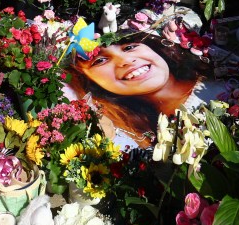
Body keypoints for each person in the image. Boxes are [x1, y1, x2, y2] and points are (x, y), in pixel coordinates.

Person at [66, 32, 214, 149]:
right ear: (89, 82)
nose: (126, 61)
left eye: (129, 47)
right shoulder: (125, 135)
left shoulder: (216, 86)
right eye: (100, 61)